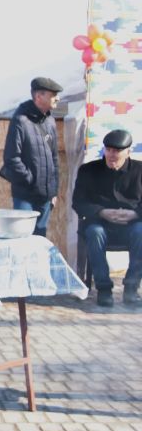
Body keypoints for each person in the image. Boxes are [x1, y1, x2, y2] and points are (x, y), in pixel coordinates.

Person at [73, 129, 142, 308]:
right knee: (95, 233)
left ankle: (131, 287)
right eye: (108, 150)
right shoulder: (89, 170)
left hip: (131, 224)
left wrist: (135, 214)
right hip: (99, 223)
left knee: (141, 232)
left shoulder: (140, 171)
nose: (111, 155)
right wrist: (101, 212)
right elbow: (78, 201)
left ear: (128, 151)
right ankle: (103, 289)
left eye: (117, 151)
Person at [0, 77, 63, 237]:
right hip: (25, 196)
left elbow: (54, 158)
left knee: (39, 240)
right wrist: (31, 181)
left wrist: (53, 192)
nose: (58, 98)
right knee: (23, 240)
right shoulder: (20, 120)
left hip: (45, 198)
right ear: (39, 97)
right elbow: (11, 158)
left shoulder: (49, 120)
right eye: (53, 94)